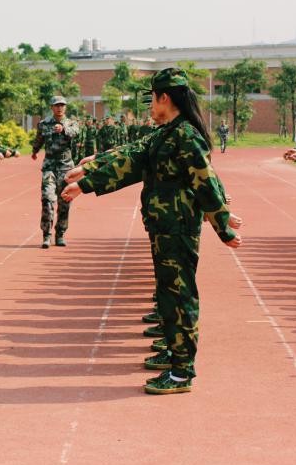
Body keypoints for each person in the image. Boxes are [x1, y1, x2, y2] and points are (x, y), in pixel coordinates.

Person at [61, 68, 241, 395]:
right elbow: (132, 158)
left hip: (178, 227)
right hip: (164, 226)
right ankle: (175, 355)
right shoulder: (167, 133)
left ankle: (181, 372)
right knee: (168, 292)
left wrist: (223, 225)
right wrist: (87, 176)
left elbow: (205, 181)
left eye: (153, 98)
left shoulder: (185, 135)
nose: (150, 106)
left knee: (179, 294)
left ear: (165, 98)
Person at [31, 95, 79, 248]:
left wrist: (63, 129)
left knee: (64, 201)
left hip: (66, 168)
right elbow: (39, 139)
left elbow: (75, 133)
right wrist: (34, 151)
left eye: (62, 105)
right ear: (52, 107)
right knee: (47, 199)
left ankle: (60, 234)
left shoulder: (71, 123)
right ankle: (46, 235)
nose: (60, 108)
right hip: (49, 167)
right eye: (57, 105)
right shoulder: (44, 124)